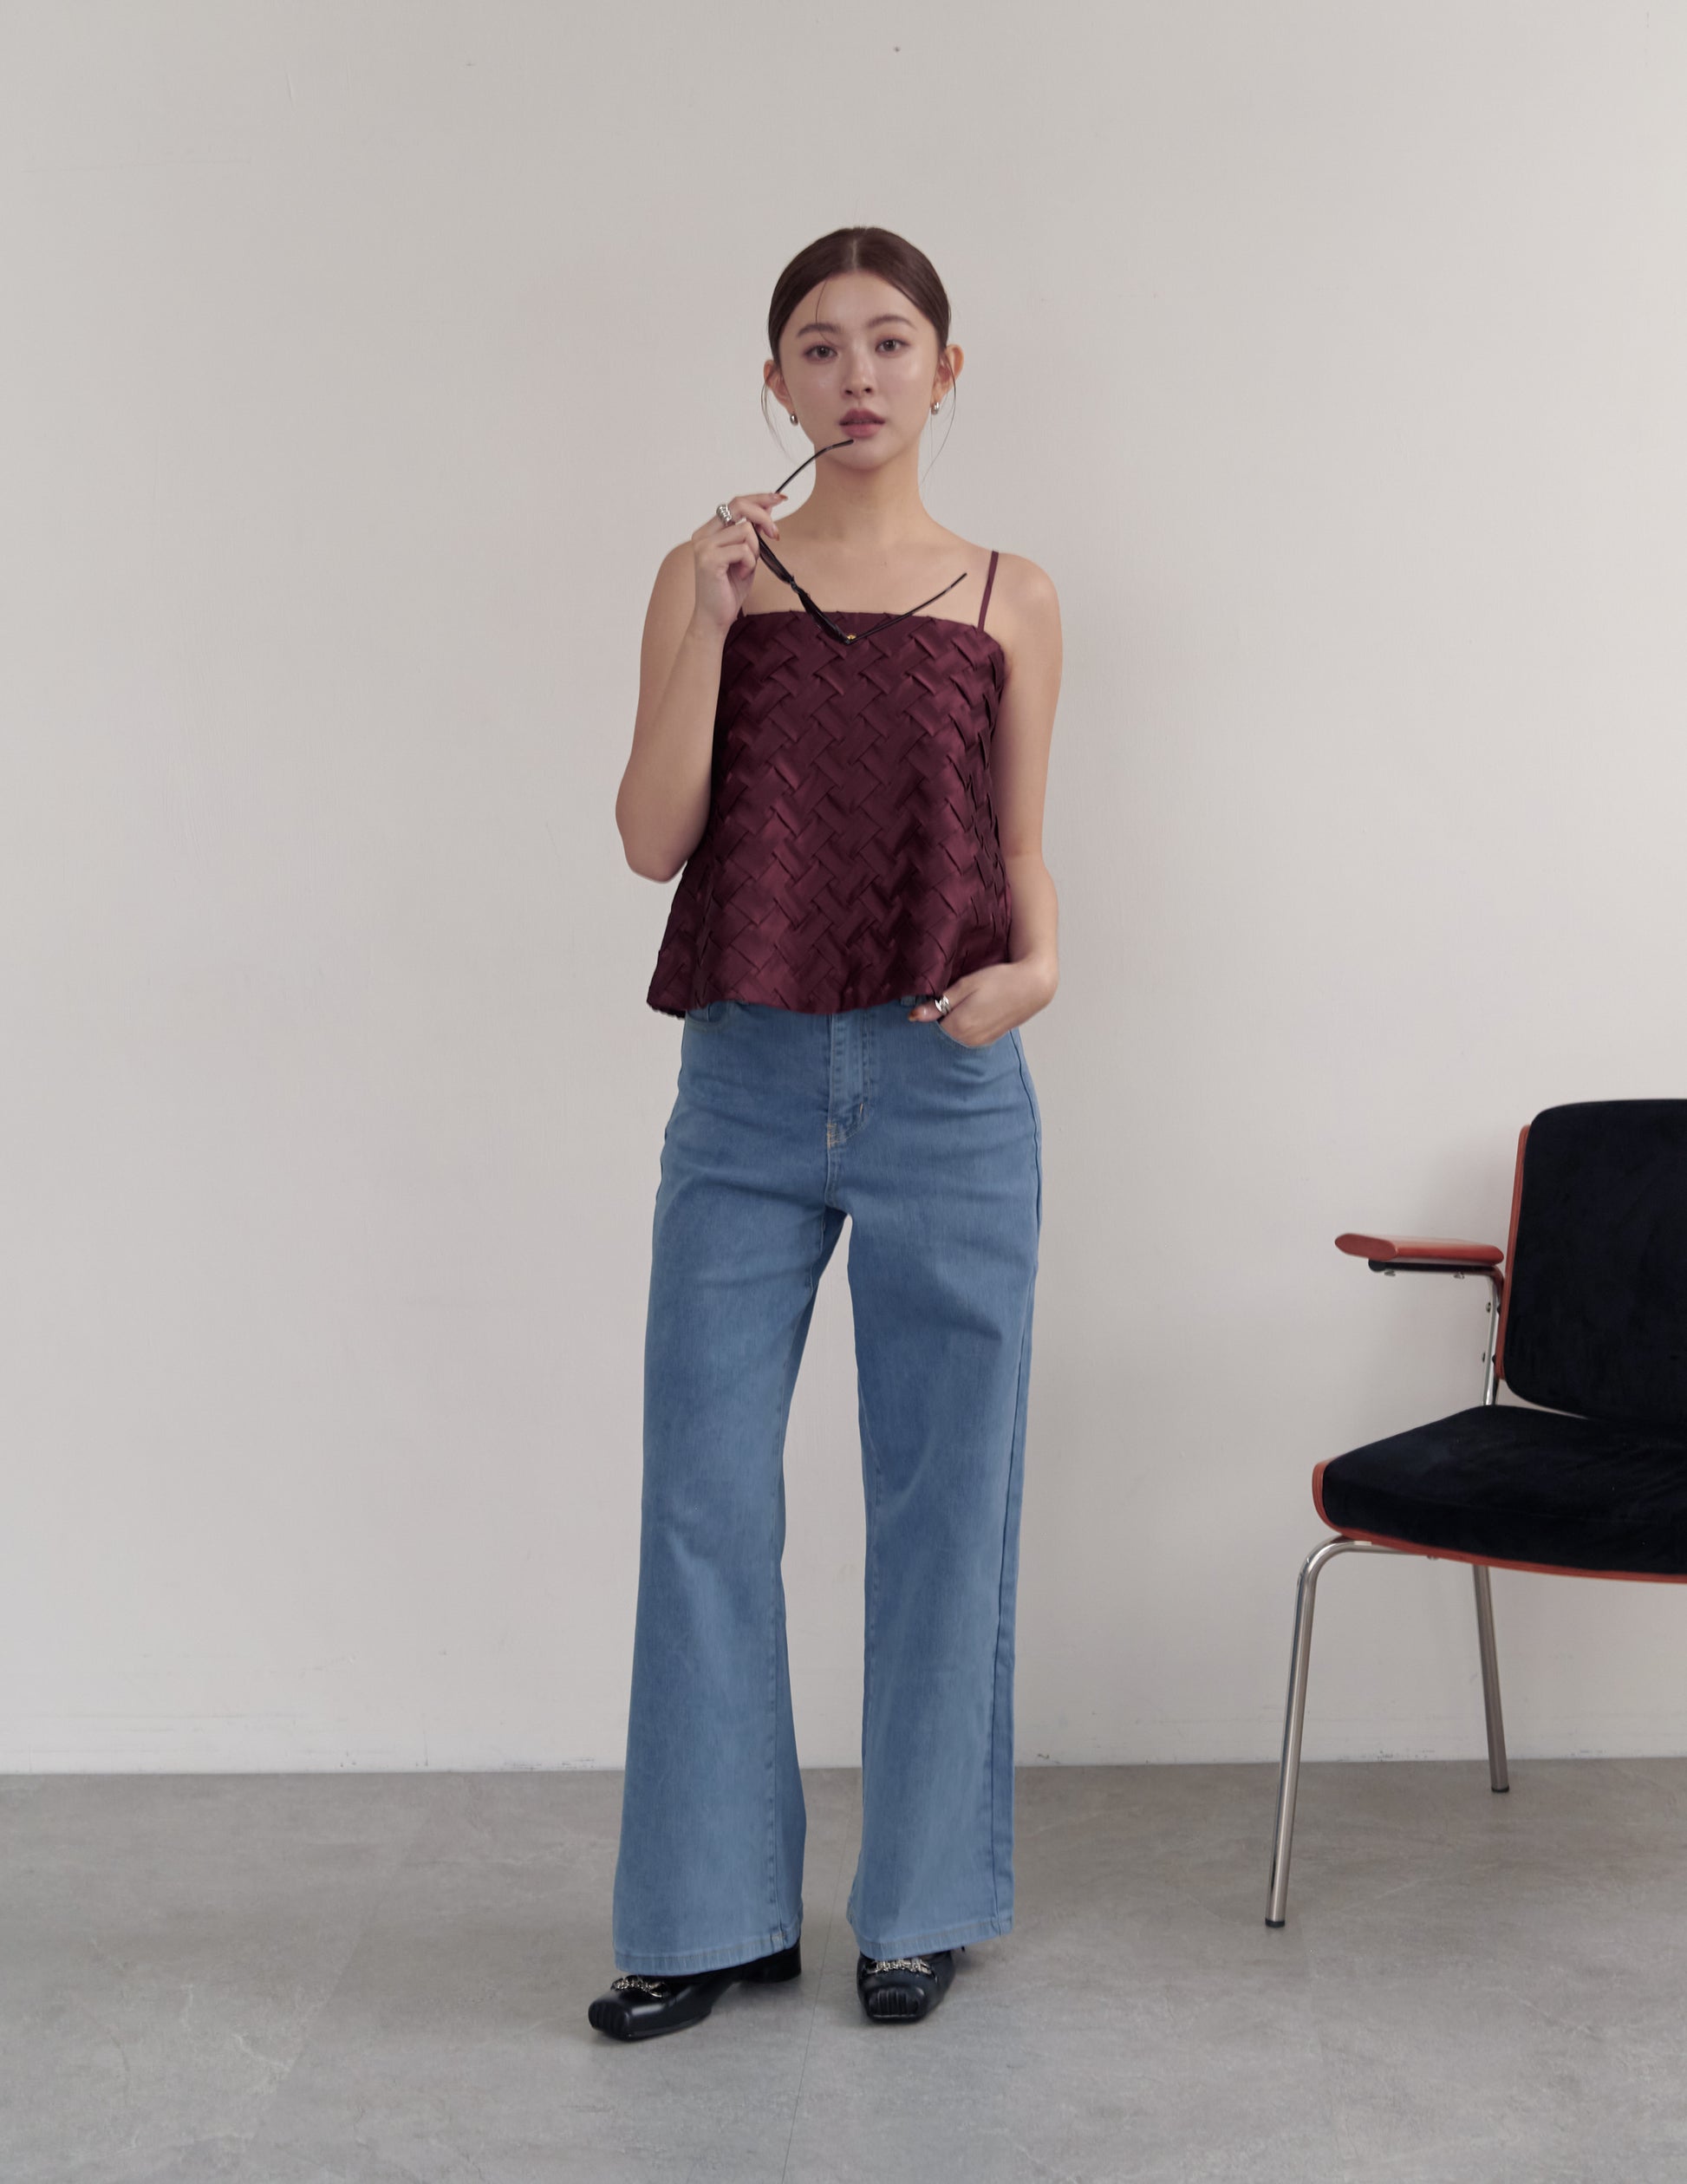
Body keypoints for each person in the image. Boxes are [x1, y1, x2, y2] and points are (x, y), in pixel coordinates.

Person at [591, 225, 1062, 2040]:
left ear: (946, 368)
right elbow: (651, 836)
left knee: (947, 1505)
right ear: (773, 380)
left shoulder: (1010, 593)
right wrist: (709, 623)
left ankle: (920, 1905)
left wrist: (1036, 972)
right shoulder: (706, 571)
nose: (854, 376)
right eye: (815, 345)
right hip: (746, 1079)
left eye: (887, 342)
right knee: (702, 1497)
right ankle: (705, 1915)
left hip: (947, 1079)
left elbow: (1021, 859)